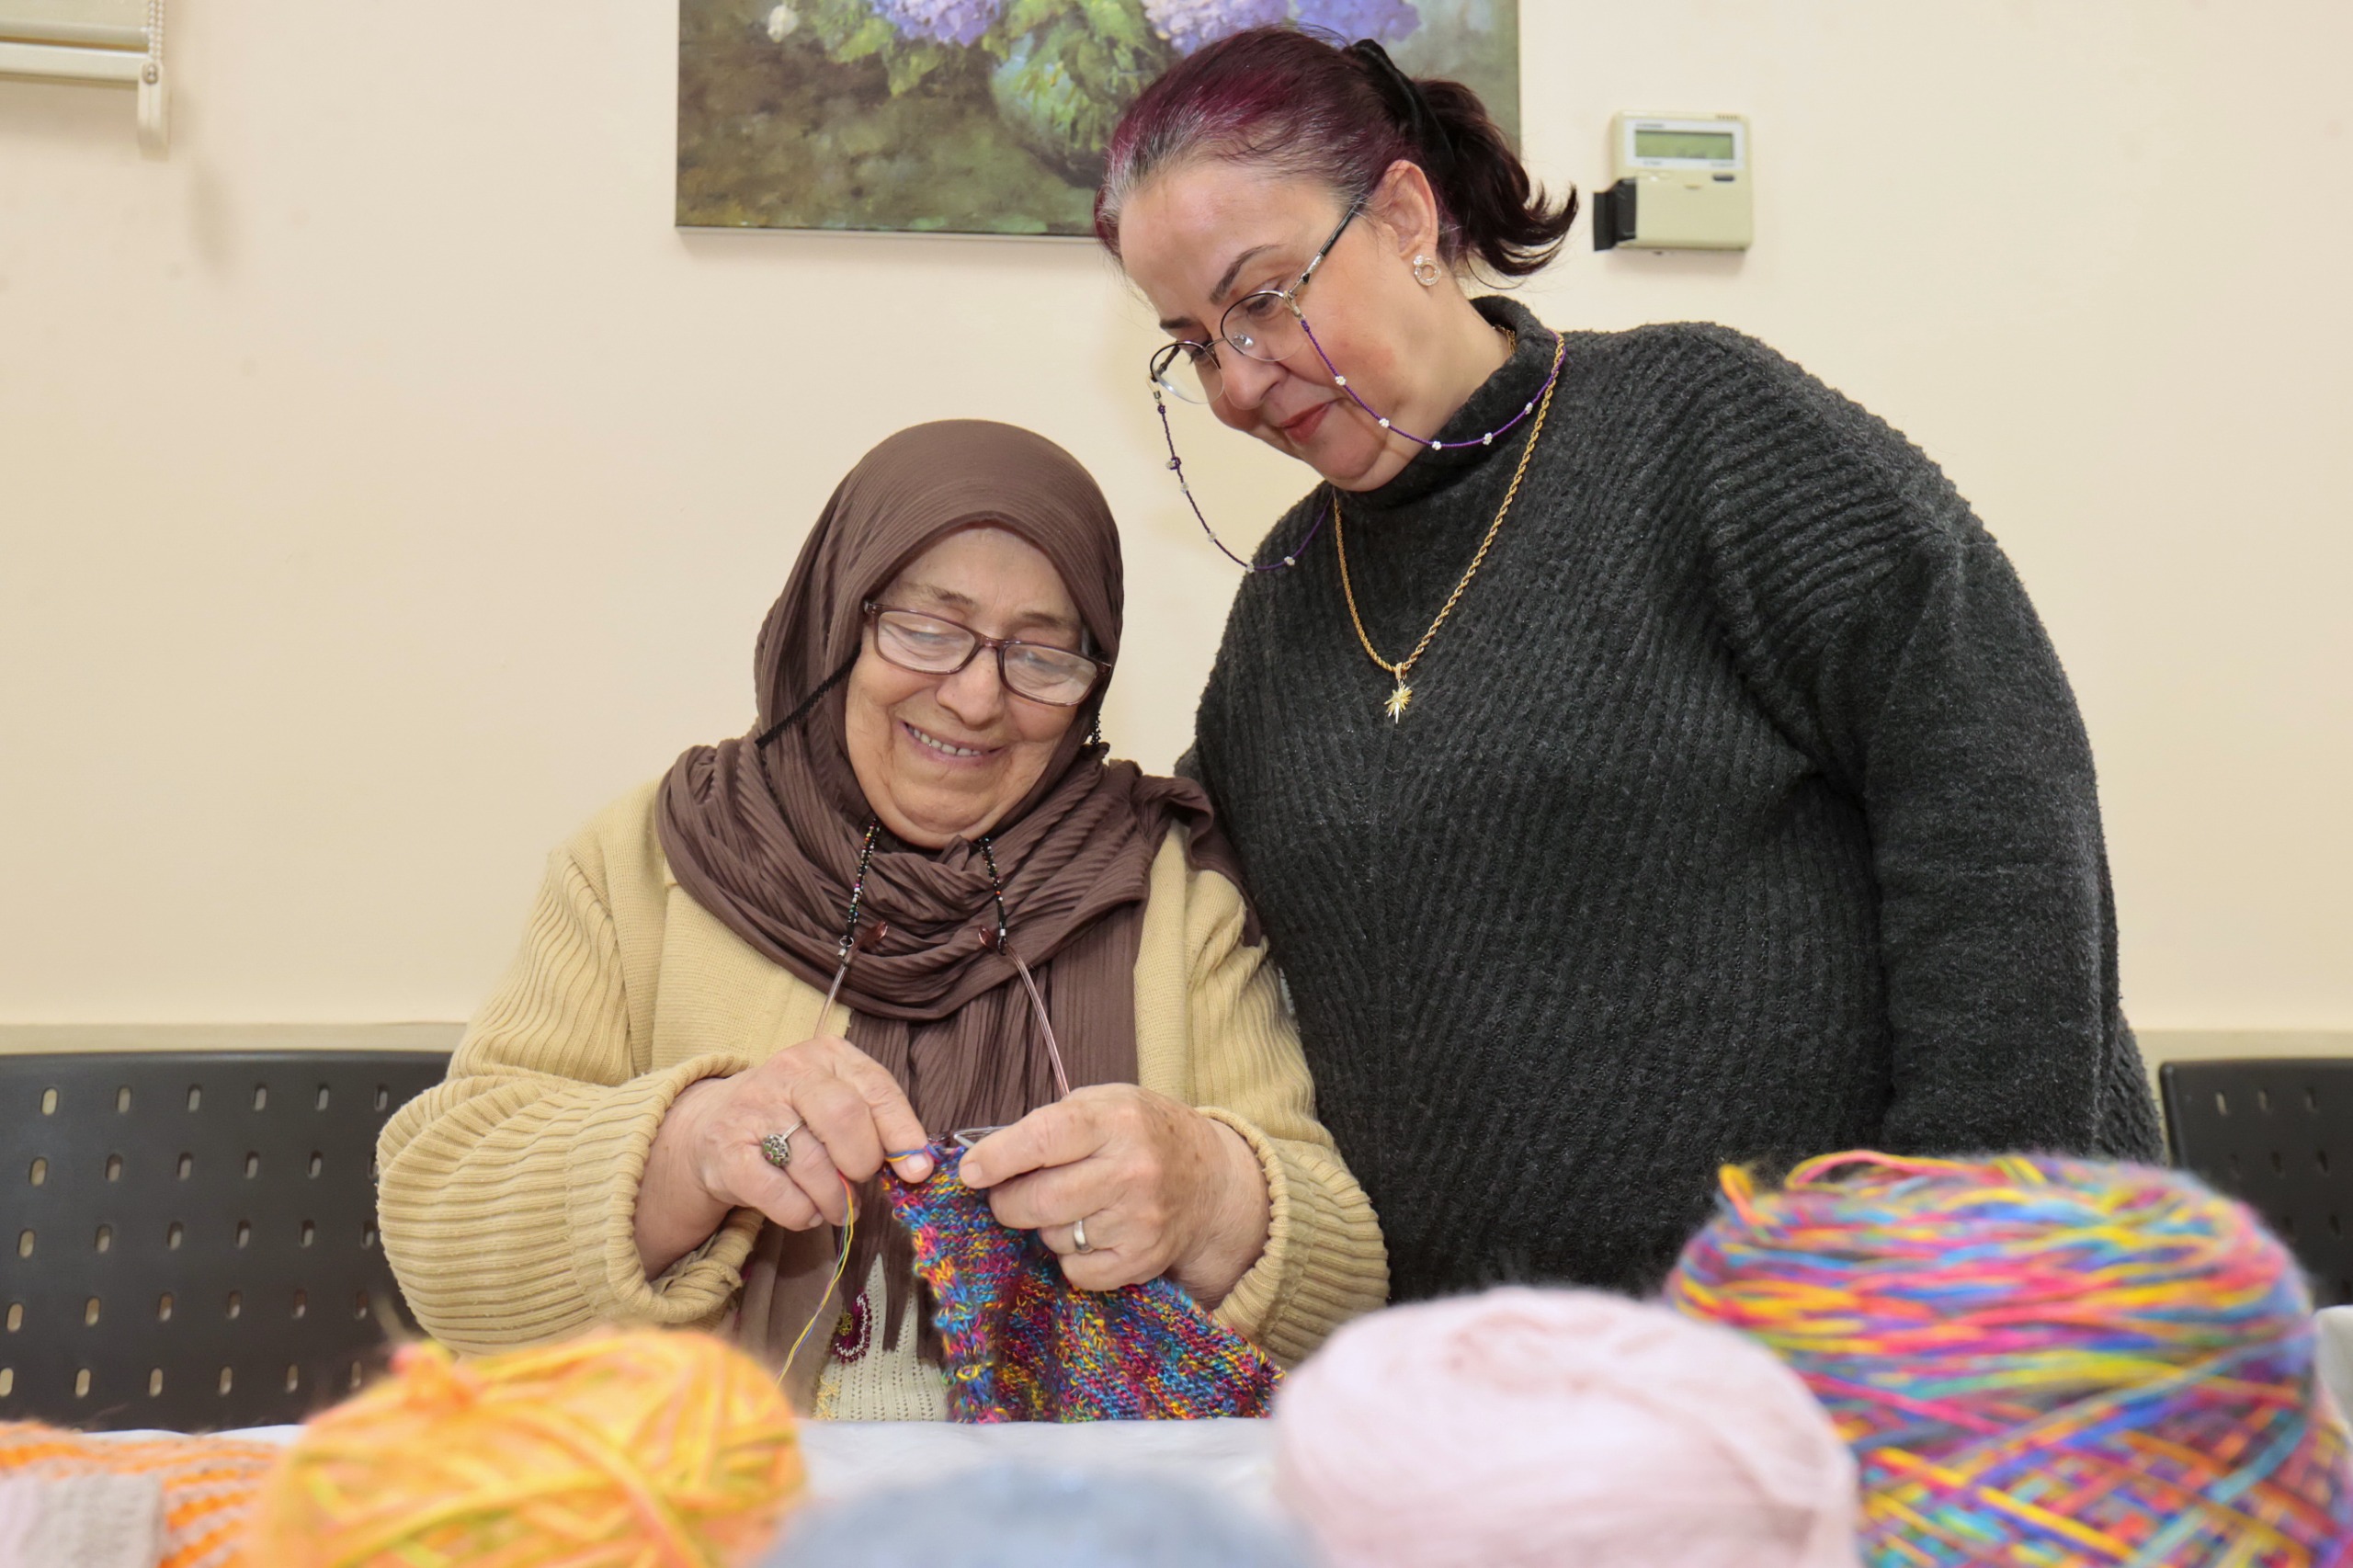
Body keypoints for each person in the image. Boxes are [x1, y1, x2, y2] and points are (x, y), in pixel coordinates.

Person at [1092, 29, 2162, 1303]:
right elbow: (1189, 904)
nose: (1240, 381)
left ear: (1406, 214)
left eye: (1263, 297)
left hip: (1900, 1350)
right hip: (1526, 1409)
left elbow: (2002, 821)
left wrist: (1957, 1263)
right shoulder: (1283, 610)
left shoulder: (1703, 435)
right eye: (1196, 343)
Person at [377, 420, 1386, 1418]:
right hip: (712, 1510)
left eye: (1041, 656)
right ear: (837, 620)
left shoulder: (1164, 888)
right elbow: (441, 1234)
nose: (978, 696)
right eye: (928, 630)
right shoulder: (652, 859)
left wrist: (1210, 1191)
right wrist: (688, 1147)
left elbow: (1344, 1300)